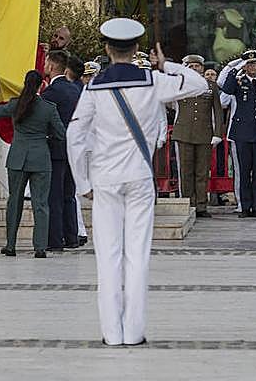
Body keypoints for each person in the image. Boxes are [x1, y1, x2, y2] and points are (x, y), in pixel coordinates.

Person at [67, 18, 208, 346]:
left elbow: (75, 135)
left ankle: (111, 334)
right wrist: (167, 63)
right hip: (140, 177)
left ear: (107, 48)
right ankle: (134, 331)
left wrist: (81, 181)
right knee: (137, 254)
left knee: (108, 255)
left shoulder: (94, 87)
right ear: (136, 49)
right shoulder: (153, 80)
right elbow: (199, 85)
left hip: (104, 179)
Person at [0, 70, 67, 258]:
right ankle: (40, 247)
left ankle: (11, 245)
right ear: (41, 85)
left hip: (18, 157)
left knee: (14, 202)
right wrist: (46, 136)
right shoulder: (48, 108)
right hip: (41, 158)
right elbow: (61, 134)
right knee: (41, 204)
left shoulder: (15, 104)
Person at [218, 50, 256, 217]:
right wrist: (235, 69)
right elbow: (227, 91)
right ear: (245, 65)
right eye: (249, 64)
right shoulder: (237, 81)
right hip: (241, 133)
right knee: (243, 171)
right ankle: (244, 207)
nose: (253, 66)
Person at [172, 54, 224, 218]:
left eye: (197, 66)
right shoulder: (178, 84)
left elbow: (217, 111)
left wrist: (217, 134)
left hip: (204, 132)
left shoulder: (210, 86)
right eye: (191, 66)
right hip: (184, 132)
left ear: (202, 68)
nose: (194, 69)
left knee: (202, 171)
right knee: (185, 171)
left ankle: (201, 205)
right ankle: (187, 203)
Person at [41, 50, 82, 250]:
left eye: (46, 62)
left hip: (55, 149)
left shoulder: (50, 93)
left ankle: (55, 240)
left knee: (54, 196)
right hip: (73, 150)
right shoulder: (75, 89)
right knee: (69, 195)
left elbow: (43, 120)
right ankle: (71, 236)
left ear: (51, 66)